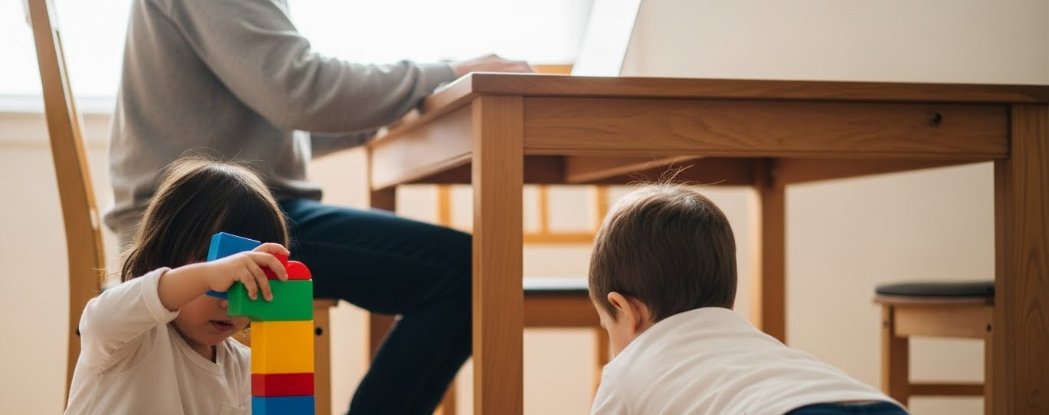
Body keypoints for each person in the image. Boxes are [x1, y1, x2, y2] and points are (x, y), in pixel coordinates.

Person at [103, 0, 531, 413]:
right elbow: (297, 90)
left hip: (212, 205)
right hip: (207, 216)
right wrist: (444, 73)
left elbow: (285, 108)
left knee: (465, 270)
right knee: (470, 273)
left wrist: (384, 109)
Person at [588, 184, 909, 415]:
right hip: (875, 404)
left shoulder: (626, 373)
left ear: (625, 310)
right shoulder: (757, 344)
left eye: (607, 326)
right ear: (727, 303)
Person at [67, 158, 292, 414]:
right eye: (219, 278)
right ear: (160, 257)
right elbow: (99, 320)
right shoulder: (129, 338)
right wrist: (207, 276)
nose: (228, 302)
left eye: (245, 282)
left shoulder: (242, 367)